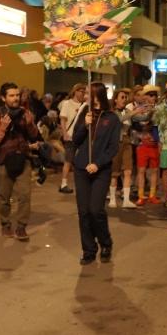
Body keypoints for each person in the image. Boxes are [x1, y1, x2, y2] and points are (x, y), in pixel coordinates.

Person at [70, 83, 121, 265]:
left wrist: (98, 164)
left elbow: (113, 147)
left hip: (100, 169)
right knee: (83, 212)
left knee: (95, 210)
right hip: (81, 167)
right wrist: (85, 125)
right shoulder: (85, 113)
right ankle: (89, 249)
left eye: (87, 93)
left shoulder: (113, 119)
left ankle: (106, 242)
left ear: (96, 95)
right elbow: (75, 139)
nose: (84, 96)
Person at [0, 82, 42, 241]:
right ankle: (5, 225)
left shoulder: (26, 113)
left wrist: (30, 123)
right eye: (11, 95)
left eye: (17, 95)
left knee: (25, 195)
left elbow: (34, 135)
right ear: (4, 98)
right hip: (3, 160)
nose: (15, 98)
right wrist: (3, 127)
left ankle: (21, 227)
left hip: (22, 157)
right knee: (5, 197)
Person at [108, 88, 137, 209]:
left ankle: (126, 199)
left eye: (125, 97)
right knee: (115, 173)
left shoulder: (127, 111)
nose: (124, 100)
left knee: (128, 171)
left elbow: (139, 119)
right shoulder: (111, 112)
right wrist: (133, 113)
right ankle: (113, 199)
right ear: (115, 100)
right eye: (122, 97)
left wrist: (149, 111)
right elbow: (118, 120)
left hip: (126, 142)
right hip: (116, 143)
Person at [132, 85, 161, 206]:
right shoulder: (139, 109)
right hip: (142, 145)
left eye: (154, 95)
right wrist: (142, 135)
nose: (152, 97)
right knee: (141, 170)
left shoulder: (159, 109)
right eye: (150, 95)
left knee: (154, 171)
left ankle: (152, 195)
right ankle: (141, 195)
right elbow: (135, 124)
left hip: (154, 145)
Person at [57, 83, 86, 194]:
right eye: (80, 91)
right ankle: (64, 183)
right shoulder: (67, 103)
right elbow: (63, 120)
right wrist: (64, 133)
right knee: (68, 160)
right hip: (70, 135)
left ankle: (81, 183)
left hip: (82, 135)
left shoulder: (84, 105)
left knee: (80, 160)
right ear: (75, 91)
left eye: (84, 91)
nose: (82, 93)